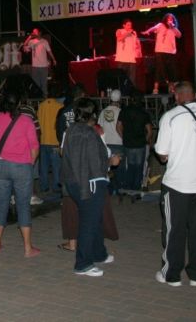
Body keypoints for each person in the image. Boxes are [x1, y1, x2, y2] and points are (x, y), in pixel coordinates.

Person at [154, 81, 196, 287]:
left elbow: (162, 154)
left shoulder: (171, 117)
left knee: (174, 230)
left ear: (176, 96)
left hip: (177, 184)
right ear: (194, 94)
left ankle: (172, 275)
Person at [61, 98, 121, 277]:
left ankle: (98, 253)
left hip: (75, 182)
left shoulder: (70, 130)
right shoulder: (89, 133)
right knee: (89, 222)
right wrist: (111, 161)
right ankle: (83, 264)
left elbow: (66, 156)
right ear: (93, 114)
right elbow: (95, 163)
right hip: (89, 183)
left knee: (94, 219)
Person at [0, 93, 41, 257]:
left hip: (0, 166)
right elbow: (34, 146)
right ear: (18, 105)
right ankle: (28, 248)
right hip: (22, 166)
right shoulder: (26, 120)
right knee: (23, 205)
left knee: (1, 204)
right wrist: (30, 163)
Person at [116, 95, 153, 192]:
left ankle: (129, 187)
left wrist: (124, 137)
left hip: (128, 143)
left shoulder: (124, 111)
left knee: (131, 165)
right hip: (140, 144)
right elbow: (149, 131)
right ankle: (136, 188)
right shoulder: (144, 113)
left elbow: (118, 126)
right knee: (139, 166)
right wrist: (145, 141)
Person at [142, 13, 182, 94]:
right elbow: (153, 28)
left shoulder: (173, 28)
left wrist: (173, 27)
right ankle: (155, 89)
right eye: (168, 19)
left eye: (171, 19)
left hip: (171, 52)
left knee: (172, 71)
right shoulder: (160, 25)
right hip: (160, 51)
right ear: (165, 19)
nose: (170, 20)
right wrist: (147, 31)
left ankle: (172, 89)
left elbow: (179, 35)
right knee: (159, 70)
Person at [37, 87, 63, 194]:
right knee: (56, 167)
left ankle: (44, 186)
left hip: (43, 140)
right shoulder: (60, 106)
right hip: (55, 141)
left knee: (43, 167)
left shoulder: (41, 105)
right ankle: (56, 186)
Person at [98, 90, 124, 194]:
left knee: (107, 168)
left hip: (106, 143)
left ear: (110, 99)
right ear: (120, 99)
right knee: (119, 168)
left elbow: (100, 128)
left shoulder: (103, 111)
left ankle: (109, 189)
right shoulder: (120, 112)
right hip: (118, 142)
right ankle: (118, 189)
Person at [22, 27, 57, 97]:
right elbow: (24, 46)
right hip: (35, 67)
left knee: (44, 84)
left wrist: (54, 59)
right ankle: (37, 100)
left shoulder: (44, 41)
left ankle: (45, 99)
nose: (34, 33)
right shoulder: (32, 42)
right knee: (36, 84)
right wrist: (29, 37)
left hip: (44, 66)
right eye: (33, 32)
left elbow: (49, 51)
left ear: (40, 33)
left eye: (35, 32)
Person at [115, 18, 138, 87]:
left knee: (132, 80)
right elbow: (119, 38)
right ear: (123, 25)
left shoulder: (134, 33)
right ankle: (122, 95)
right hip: (122, 60)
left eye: (131, 25)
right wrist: (128, 33)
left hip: (132, 60)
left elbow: (135, 45)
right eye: (128, 25)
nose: (130, 26)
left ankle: (132, 95)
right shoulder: (119, 31)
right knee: (121, 79)